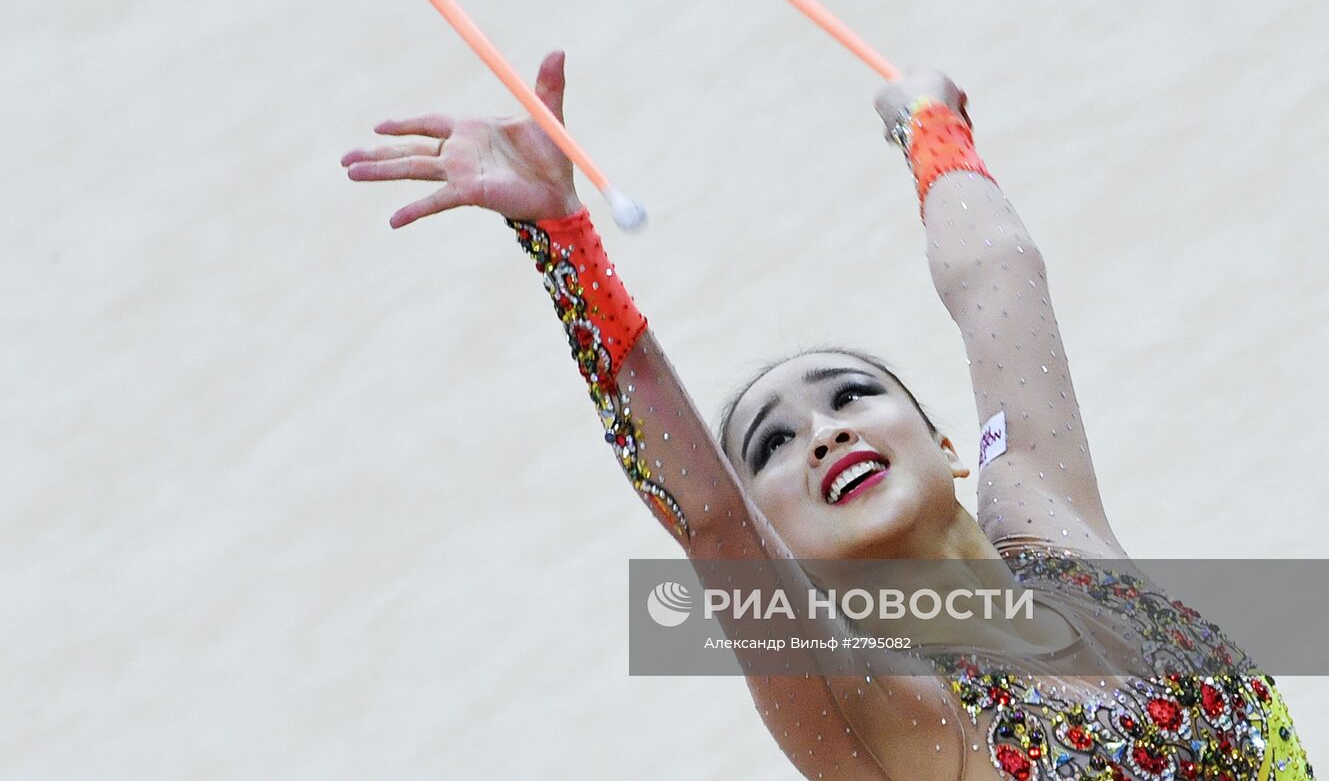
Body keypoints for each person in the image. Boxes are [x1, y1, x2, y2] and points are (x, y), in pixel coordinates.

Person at [340, 51, 1314, 781]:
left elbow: (1000, 283)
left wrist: (931, 127)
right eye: (771, 443)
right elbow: (708, 514)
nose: (822, 431)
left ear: (941, 442)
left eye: (853, 395)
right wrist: (565, 238)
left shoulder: (1053, 525)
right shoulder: (890, 711)